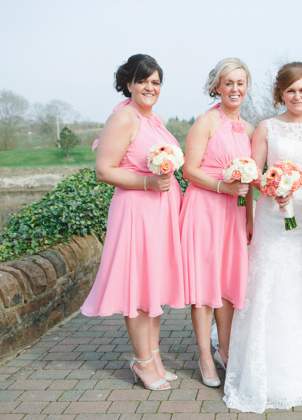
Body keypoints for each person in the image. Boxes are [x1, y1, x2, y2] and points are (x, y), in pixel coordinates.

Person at [223, 62, 302, 413]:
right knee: (272, 279)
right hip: (272, 215)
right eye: (291, 90)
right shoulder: (267, 127)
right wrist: (269, 191)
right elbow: (253, 174)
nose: (298, 96)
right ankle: (268, 365)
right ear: (281, 93)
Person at [81, 54, 184, 391]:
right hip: (136, 211)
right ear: (129, 83)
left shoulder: (155, 120)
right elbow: (104, 169)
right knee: (138, 286)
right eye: (143, 81)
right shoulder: (123, 118)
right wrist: (146, 183)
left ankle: (154, 358)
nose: (150, 88)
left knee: (153, 286)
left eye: (156, 82)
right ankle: (142, 362)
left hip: (160, 210)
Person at [179, 58, 254, 388]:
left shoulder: (250, 129)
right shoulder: (206, 122)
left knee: (228, 285)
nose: (234, 89)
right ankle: (204, 356)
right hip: (206, 209)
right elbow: (189, 170)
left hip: (234, 214)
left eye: (240, 83)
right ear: (217, 87)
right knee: (204, 286)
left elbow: (251, 181)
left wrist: (250, 218)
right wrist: (223, 186)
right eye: (228, 83)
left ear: (246, 87)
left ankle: (225, 349)